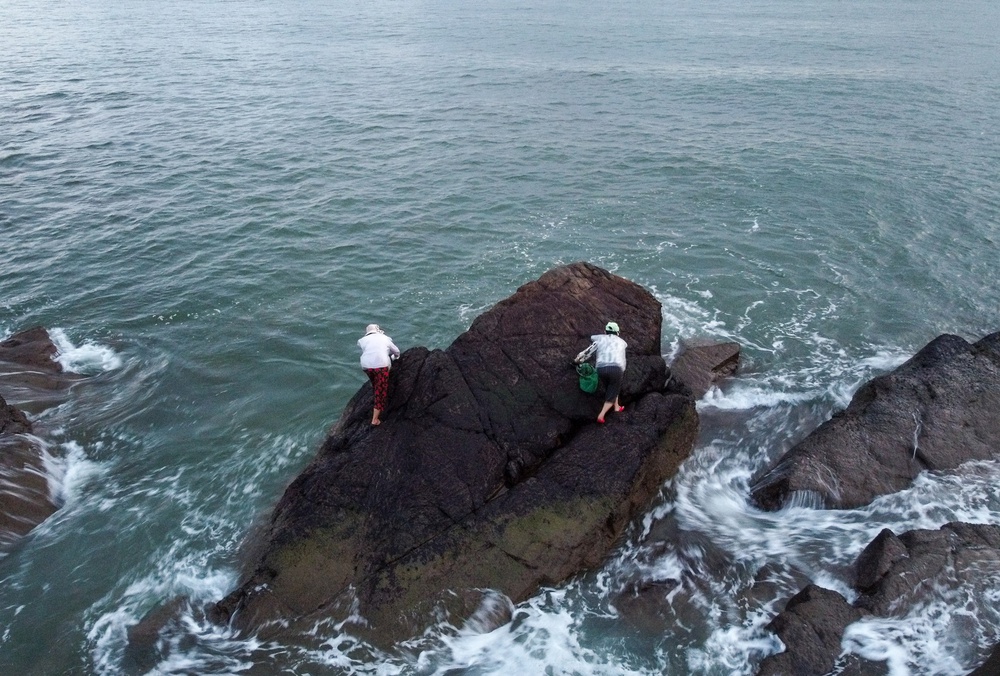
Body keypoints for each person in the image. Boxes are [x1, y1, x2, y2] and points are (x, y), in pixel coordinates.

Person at [573, 321, 627, 424]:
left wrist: (576, 361)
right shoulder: (622, 342)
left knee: (611, 388)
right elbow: (623, 360)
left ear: (605, 331)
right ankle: (601, 415)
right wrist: (621, 371)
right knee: (614, 387)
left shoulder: (600, 339)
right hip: (616, 369)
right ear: (618, 332)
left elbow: (588, 350)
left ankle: (616, 407)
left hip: (601, 369)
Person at [357, 323, 400, 426]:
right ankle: (375, 420)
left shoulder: (362, 341)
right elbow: (397, 351)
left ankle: (375, 386)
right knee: (380, 392)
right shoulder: (385, 338)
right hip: (381, 366)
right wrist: (395, 357)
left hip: (366, 366)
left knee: (375, 383)